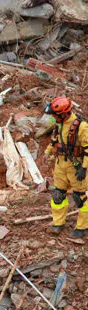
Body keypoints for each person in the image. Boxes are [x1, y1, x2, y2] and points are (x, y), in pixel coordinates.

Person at [44, 96, 88, 238]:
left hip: (76, 167)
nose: (53, 118)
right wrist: (47, 153)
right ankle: (58, 223)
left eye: (55, 115)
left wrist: (84, 168)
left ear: (63, 114)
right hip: (60, 165)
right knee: (58, 195)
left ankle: (83, 226)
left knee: (79, 197)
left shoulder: (82, 127)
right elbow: (54, 141)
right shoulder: (59, 125)